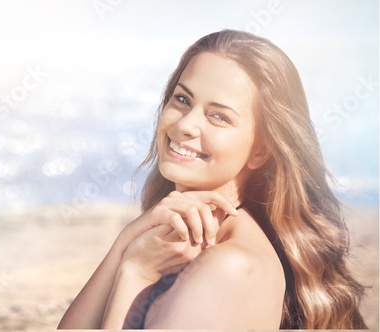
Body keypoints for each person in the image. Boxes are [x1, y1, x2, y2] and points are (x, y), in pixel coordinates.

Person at [57, 29, 366, 329]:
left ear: (260, 151)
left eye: (219, 116)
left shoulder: (229, 267)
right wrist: (126, 242)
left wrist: (135, 272)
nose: (187, 124)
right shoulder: (180, 240)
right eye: (182, 99)